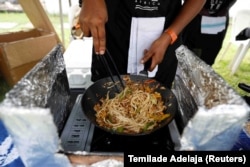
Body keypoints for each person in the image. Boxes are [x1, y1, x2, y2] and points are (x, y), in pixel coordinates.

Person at [78, 0, 206, 88]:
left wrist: (170, 35)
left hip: (164, 44)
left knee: (157, 108)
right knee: (105, 102)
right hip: (114, 39)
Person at [182, 0, 237, 66]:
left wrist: (226, 8)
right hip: (195, 21)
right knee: (185, 57)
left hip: (218, 23)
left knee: (207, 60)